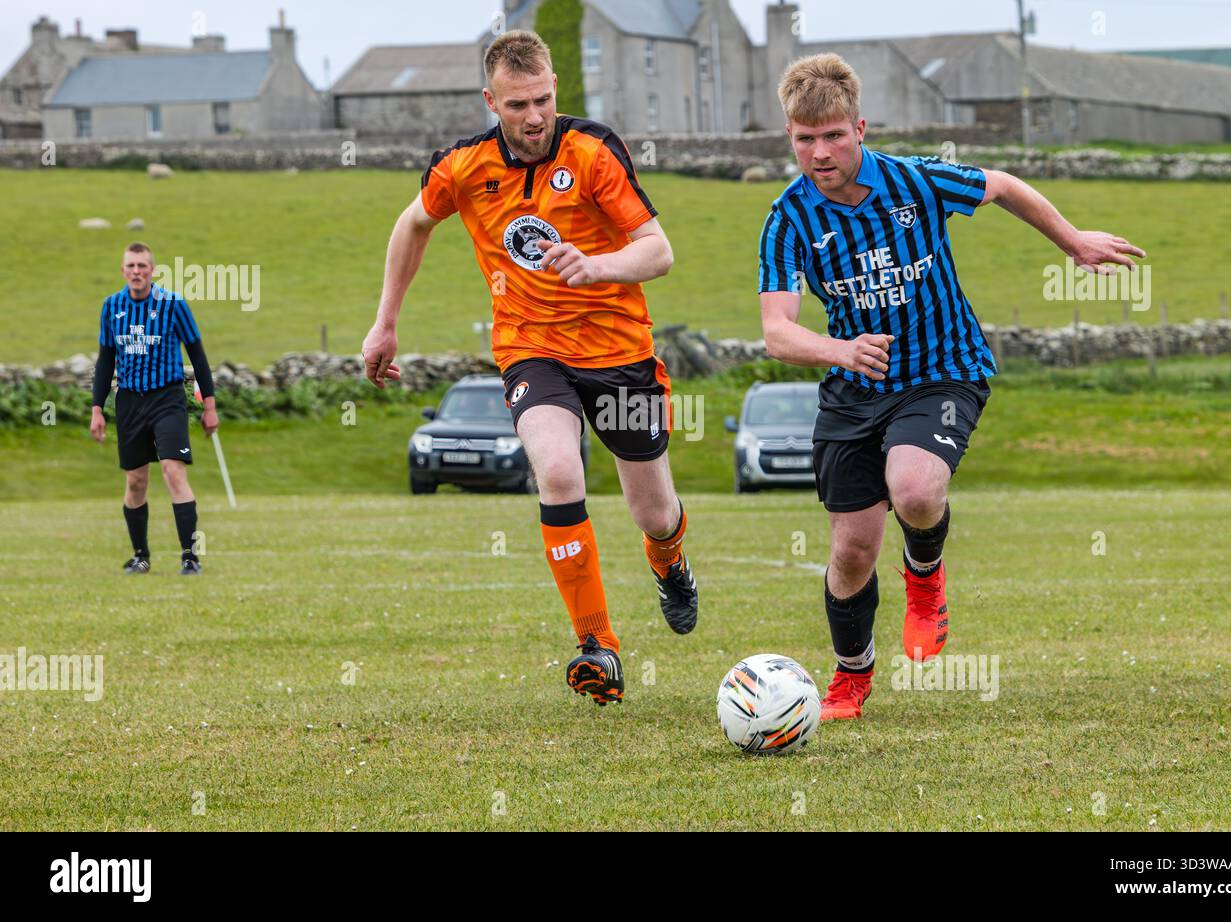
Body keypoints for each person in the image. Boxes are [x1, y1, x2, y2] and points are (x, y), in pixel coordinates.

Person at [757, 54, 1144, 719]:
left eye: (833, 136)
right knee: (850, 553)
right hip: (854, 389)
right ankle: (851, 676)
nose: (819, 153)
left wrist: (1072, 241)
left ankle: (926, 576)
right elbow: (777, 332)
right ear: (790, 136)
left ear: (860, 127)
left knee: (913, 487)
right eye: (804, 138)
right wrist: (838, 349)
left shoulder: (915, 182)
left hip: (943, 370)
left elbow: (1001, 185)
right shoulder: (788, 219)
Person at [361, 30, 697, 706]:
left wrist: (595, 265)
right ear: (492, 101)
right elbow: (412, 225)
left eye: (544, 99)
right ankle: (597, 647)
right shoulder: (463, 166)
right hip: (530, 347)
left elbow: (658, 251)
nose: (536, 116)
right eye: (519, 105)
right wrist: (386, 322)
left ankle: (670, 563)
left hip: (620, 353)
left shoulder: (593, 151)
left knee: (653, 511)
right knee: (558, 468)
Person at [91, 242, 219, 575]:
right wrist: (96, 409)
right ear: (123, 271)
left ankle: (190, 556)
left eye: (142, 266)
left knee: (173, 471)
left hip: (167, 398)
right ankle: (140, 556)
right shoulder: (111, 307)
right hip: (130, 401)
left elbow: (198, 355)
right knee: (135, 481)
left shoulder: (173, 305)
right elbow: (105, 361)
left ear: (153, 271)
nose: (137, 271)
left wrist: (210, 406)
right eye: (131, 266)